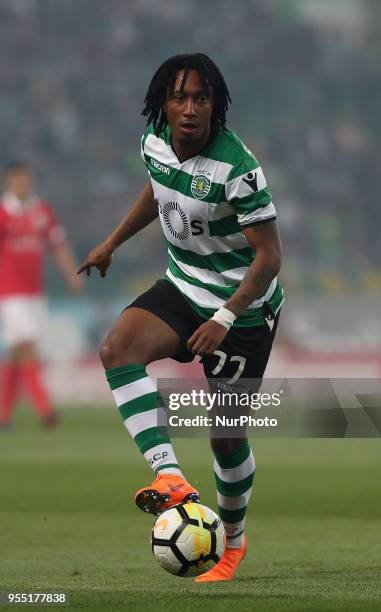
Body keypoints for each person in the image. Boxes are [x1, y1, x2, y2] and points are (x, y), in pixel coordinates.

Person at [78, 53, 283, 582]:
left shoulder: (238, 168)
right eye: (179, 97)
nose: (189, 109)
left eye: (201, 98)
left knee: (225, 437)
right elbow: (157, 188)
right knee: (116, 350)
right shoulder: (154, 141)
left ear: (216, 105)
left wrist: (225, 316)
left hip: (244, 307)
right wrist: (112, 242)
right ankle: (171, 480)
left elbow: (269, 257)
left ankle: (231, 545)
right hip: (182, 285)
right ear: (163, 103)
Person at [0, 162, 83, 428]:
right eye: (17, 179)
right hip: (9, 291)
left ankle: (3, 414)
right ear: (8, 182)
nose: (22, 183)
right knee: (28, 346)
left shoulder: (42, 211)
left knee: (17, 351)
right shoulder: (3, 212)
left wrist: (72, 273)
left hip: (35, 291)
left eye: (26, 178)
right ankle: (45, 409)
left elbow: (57, 245)